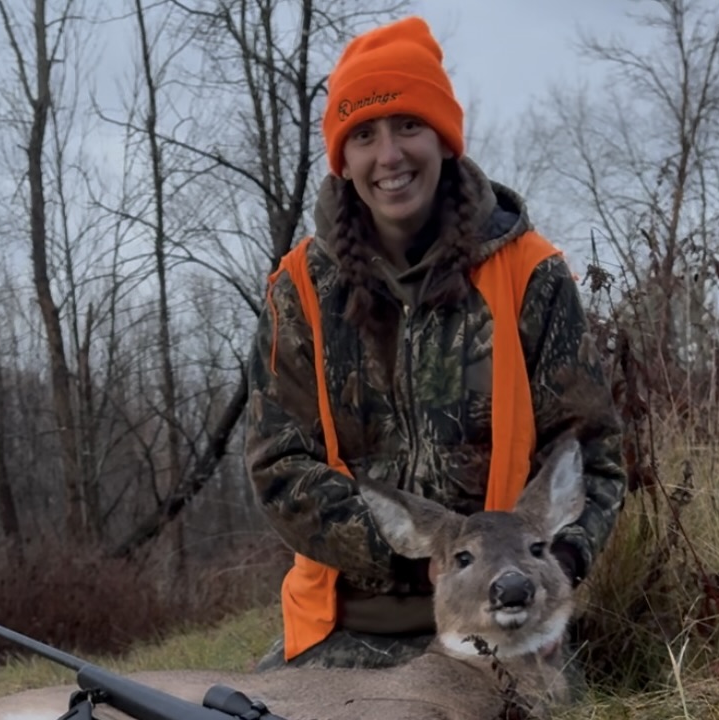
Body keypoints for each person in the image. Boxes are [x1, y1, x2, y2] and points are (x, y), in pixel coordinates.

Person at [244, 14, 626, 672]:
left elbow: (590, 455)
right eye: (363, 135)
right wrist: (424, 548)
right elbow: (279, 467)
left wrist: (546, 566)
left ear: (444, 138)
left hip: (509, 629)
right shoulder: (299, 290)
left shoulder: (530, 276)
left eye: (408, 126)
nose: (388, 156)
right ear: (344, 159)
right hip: (346, 632)